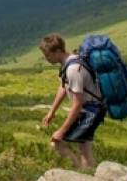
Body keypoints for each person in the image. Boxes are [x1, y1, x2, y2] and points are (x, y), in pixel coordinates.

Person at [39, 33, 105, 170]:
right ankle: (87, 174)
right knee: (85, 150)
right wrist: (52, 111)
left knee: (57, 142)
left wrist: (61, 131)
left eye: (48, 55)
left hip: (89, 112)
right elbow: (63, 87)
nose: (46, 59)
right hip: (94, 109)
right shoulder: (70, 62)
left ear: (57, 51)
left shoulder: (73, 69)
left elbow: (77, 104)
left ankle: (80, 174)